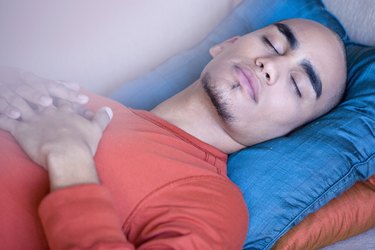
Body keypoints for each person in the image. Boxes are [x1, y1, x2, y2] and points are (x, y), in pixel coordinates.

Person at [0, 19, 346, 249]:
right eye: (272, 44)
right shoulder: (85, 99)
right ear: (227, 43)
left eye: (298, 84)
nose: (271, 66)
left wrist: (70, 159)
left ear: (289, 131)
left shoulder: (213, 203)